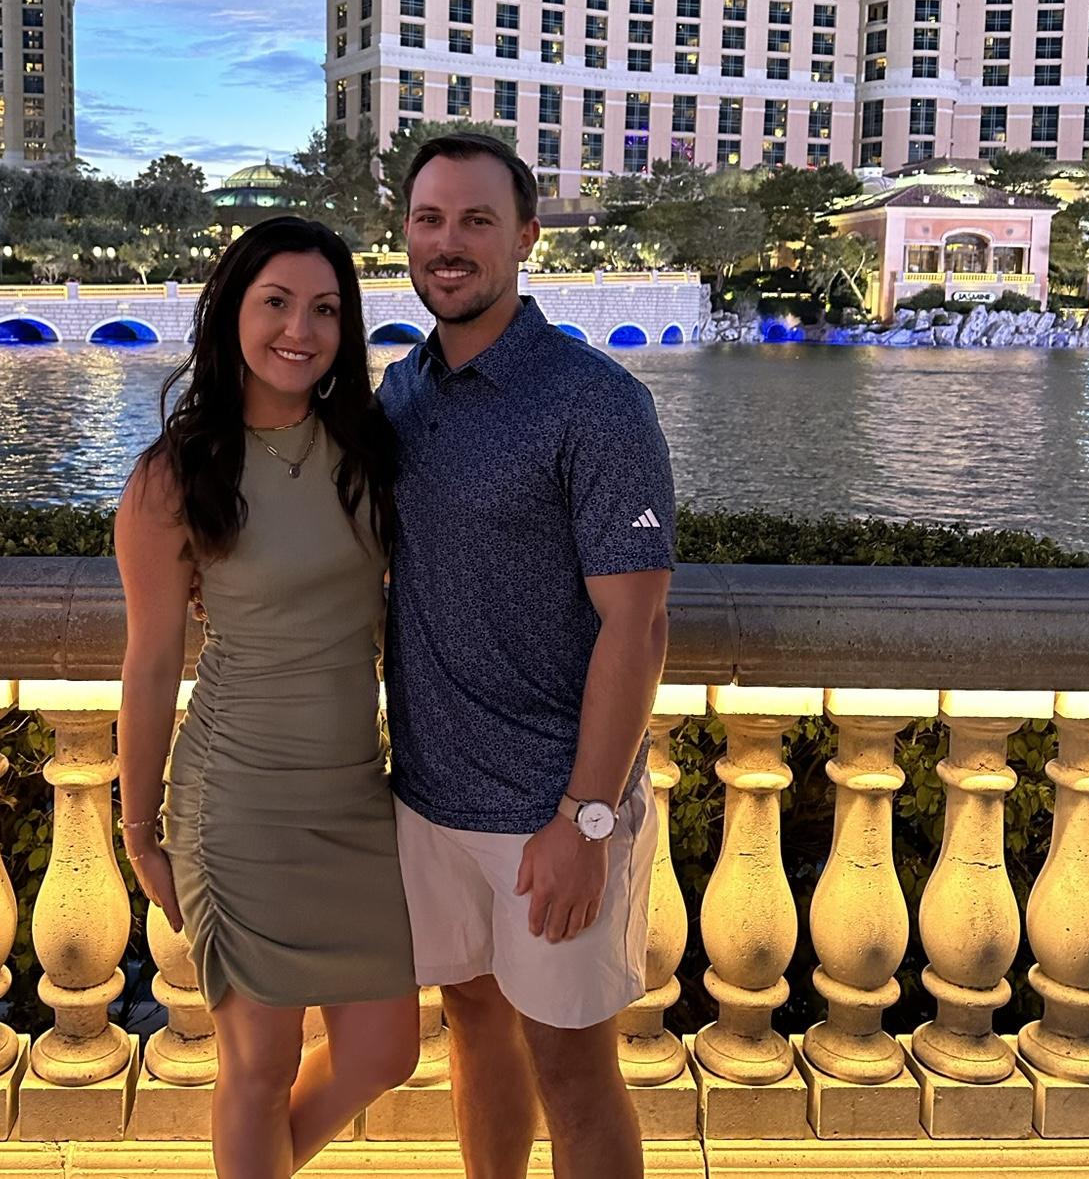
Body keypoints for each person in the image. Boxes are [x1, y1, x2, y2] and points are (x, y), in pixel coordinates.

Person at [378, 133, 675, 1179]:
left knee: (575, 1071)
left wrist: (585, 818)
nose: (448, 243)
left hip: (551, 810)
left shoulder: (595, 401)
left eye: (477, 220)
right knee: (472, 1027)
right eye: (429, 219)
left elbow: (638, 626)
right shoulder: (401, 392)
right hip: (427, 799)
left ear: (527, 237)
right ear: (405, 234)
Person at [115, 216, 419, 1179]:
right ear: (231, 314)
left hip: (353, 791)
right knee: (258, 1065)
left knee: (386, 1049)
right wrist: (139, 829)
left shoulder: (367, 449)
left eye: (325, 310)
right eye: (277, 303)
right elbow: (150, 663)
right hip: (237, 797)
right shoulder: (175, 476)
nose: (301, 329)